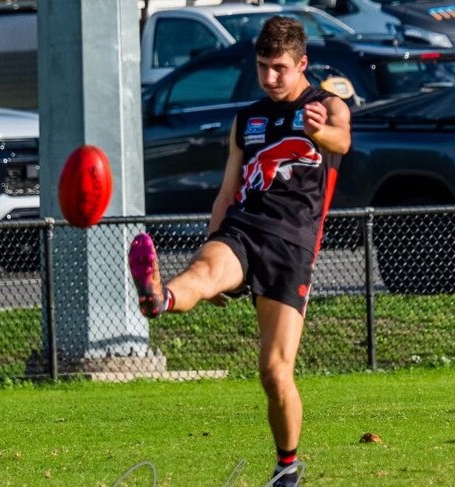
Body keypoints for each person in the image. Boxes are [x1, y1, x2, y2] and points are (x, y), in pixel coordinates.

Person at [128, 16, 351, 487]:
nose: (270, 78)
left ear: (302, 64)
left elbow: (342, 142)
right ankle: (158, 296)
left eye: (280, 68)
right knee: (202, 274)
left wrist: (319, 132)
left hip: (292, 248)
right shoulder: (246, 119)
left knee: (273, 372)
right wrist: (211, 240)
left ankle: (287, 466)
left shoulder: (326, 105)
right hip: (243, 229)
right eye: (263, 67)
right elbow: (226, 192)